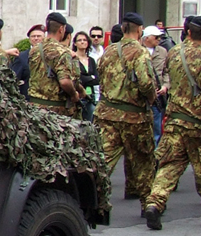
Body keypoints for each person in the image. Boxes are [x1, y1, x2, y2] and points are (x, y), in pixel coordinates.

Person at [144, 16, 201, 230]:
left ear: (188, 33)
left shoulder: (174, 52)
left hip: (175, 120)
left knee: (170, 165)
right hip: (200, 123)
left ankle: (154, 203)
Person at [93, 12, 157, 214]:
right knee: (143, 162)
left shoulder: (109, 51)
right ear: (139, 30)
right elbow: (146, 82)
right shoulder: (141, 53)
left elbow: (100, 75)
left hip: (107, 114)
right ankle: (148, 205)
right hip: (134, 116)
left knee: (103, 161)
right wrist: (151, 97)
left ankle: (94, 201)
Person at [28, 12, 83, 118]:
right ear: (61, 29)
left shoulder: (34, 50)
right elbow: (65, 81)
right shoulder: (62, 52)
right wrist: (73, 94)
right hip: (55, 110)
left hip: (34, 107)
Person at [141, 25, 169, 143]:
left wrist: (165, 86)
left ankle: (155, 156)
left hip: (157, 95)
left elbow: (166, 71)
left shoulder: (162, 51)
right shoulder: (139, 50)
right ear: (147, 38)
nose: (159, 39)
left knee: (156, 128)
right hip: (141, 96)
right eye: (156, 37)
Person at [72, 30, 99, 122]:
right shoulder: (73, 58)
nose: (82, 42)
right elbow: (78, 78)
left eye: (84, 40)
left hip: (91, 96)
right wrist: (91, 77)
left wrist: (87, 78)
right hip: (78, 96)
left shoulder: (91, 60)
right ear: (75, 43)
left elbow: (97, 79)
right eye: (79, 40)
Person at [11, 24, 44, 98]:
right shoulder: (21, 57)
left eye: (39, 36)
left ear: (44, 38)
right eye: (33, 36)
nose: (36, 38)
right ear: (29, 39)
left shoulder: (50, 55)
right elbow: (14, 79)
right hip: (28, 100)